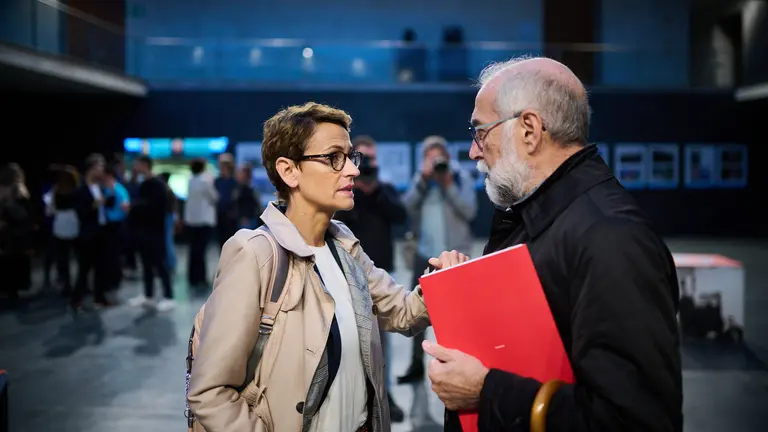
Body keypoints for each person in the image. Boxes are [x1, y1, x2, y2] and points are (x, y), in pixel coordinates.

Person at [422, 57, 683, 431]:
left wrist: (487, 391)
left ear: (529, 130)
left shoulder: (611, 238)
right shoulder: (544, 216)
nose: (473, 151)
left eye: (480, 132)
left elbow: (635, 420)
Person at [188, 102, 450, 432]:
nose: (353, 170)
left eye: (350, 157)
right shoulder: (254, 254)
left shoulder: (344, 245)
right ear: (289, 171)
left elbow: (403, 313)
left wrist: (444, 278)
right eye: (333, 158)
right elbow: (210, 391)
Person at [333, 134, 409, 422]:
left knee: (382, 341)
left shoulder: (385, 189)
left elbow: (400, 216)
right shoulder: (346, 191)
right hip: (348, 272)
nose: (365, 168)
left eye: (371, 160)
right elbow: (340, 221)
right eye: (361, 159)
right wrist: (360, 194)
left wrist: (375, 192)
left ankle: (383, 394)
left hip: (381, 272)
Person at [399, 135, 476, 384]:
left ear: (448, 157)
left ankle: (461, 363)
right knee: (417, 310)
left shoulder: (460, 178)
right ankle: (415, 365)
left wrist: (447, 185)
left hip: (455, 256)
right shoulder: (420, 181)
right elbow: (405, 208)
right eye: (430, 160)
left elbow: (469, 211)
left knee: (458, 315)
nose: (435, 165)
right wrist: (423, 181)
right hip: (425, 254)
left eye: (439, 159)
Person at [128, 155, 174, 311]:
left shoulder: (157, 185)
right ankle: (149, 296)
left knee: (160, 263)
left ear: (145, 165)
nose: (135, 167)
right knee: (146, 263)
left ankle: (169, 296)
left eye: (137, 164)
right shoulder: (143, 184)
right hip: (143, 230)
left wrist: (134, 207)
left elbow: (156, 207)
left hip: (155, 231)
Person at [72, 154, 110, 309]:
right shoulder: (80, 189)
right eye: (99, 167)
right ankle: (76, 300)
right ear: (91, 168)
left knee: (101, 267)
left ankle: (99, 298)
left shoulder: (100, 187)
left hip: (101, 232)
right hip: (87, 234)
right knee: (84, 269)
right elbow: (80, 212)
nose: (102, 170)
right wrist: (94, 204)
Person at [184, 158, 218, 288]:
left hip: (192, 220)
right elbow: (214, 197)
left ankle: (192, 277)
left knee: (193, 250)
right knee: (202, 251)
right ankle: (201, 278)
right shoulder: (205, 181)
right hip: (204, 221)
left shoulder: (190, 181)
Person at [231, 163, 262, 230]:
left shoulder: (250, 189)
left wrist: (245, 217)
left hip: (248, 220)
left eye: (240, 173)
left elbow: (254, 205)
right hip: (240, 220)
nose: (238, 175)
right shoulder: (238, 188)